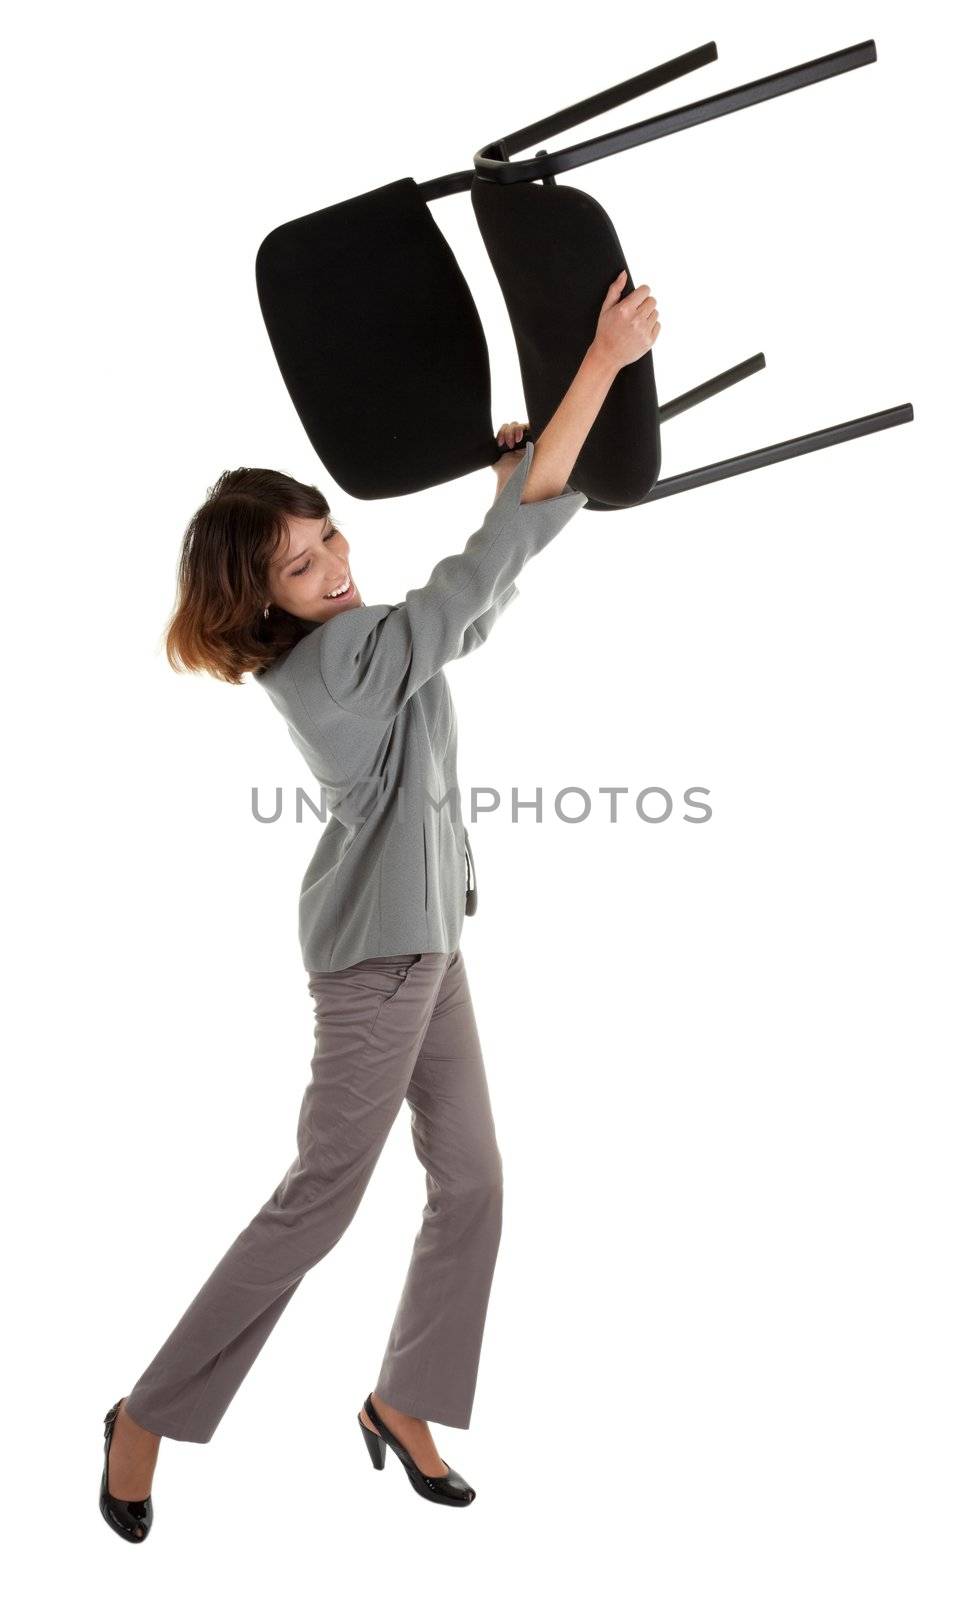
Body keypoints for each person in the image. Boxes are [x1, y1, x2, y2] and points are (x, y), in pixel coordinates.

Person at [99, 271, 661, 1541]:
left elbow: (476, 586)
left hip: (428, 942)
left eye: (327, 535)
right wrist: (599, 366)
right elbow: (473, 583)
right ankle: (145, 1412)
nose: (332, 565)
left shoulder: (347, 642)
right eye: (300, 566)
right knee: (320, 1200)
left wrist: (509, 478)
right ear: (263, 603)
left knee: (472, 1179)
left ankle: (401, 1402)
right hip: (377, 966)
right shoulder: (335, 668)